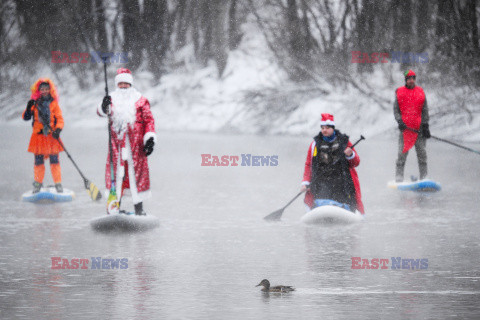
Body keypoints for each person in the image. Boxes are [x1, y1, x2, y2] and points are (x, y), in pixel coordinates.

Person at [98, 68, 156, 215]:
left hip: (136, 149)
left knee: (136, 176)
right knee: (117, 176)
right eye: (121, 84)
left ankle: (139, 210)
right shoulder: (111, 99)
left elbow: (149, 120)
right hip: (116, 148)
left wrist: (149, 139)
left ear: (130, 84)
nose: (123, 87)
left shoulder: (140, 100)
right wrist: (103, 106)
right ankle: (114, 208)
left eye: (126, 84)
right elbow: (100, 112)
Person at [301, 113, 364, 213]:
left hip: (341, 182)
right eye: (322, 127)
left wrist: (350, 155)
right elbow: (308, 164)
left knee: (342, 197)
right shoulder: (314, 145)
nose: (324, 130)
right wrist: (305, 182)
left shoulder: (344, 142)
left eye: (327, 127)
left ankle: (343, 208)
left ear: (333, 128)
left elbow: (356, 163)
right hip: (321, 182)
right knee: (321, 196)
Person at [22, 78, 64, 193]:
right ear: (38, 91)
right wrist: (28, 108)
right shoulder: (34, 103)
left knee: (54, 161)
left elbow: (60, 119)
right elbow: (25, 117)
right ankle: (38, 183)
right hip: (38, 138)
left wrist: (58, 130)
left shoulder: (54, 104)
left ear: (50, 90)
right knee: (38, 162)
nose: (44, 91)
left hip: (51, 137)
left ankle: (58, 183)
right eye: (42, 89)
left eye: (46, 89)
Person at [393, 69, 430, 182]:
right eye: (409, 79)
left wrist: (425, 125)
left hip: (419, 131)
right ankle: (399, 178)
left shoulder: (420, 92)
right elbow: (396, 110)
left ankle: (424, 177)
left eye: (413, 78)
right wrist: (399, 121)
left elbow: (425, 109)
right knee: (401, 155)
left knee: (422, 155)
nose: (411, 80)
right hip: (406, 131)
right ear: (406, 80)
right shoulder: (400, 92)